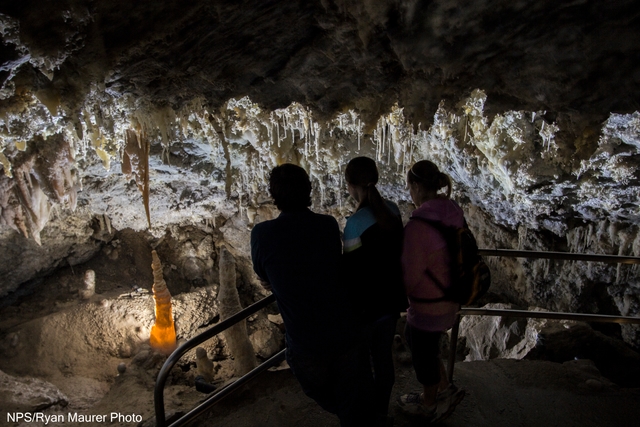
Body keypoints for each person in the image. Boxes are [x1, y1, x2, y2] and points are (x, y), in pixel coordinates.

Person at [250, 163, 375, 427]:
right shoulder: (327, 226)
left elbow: (263, 273)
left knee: (329, 394)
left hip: (306, 343)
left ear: (274, 195)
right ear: (308, 190)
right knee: (353, 398)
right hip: (344, 330)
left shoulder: (262, 234)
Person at [396, 160, 466, 422]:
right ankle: (446, 388)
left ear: (415, 186)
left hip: (429, 305)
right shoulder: (452, 210)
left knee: (421, 352)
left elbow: (410, 278)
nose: (409, 193)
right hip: (453, 297)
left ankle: (429, 403)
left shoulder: (418, 227)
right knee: (420, 343)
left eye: (409, 187)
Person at [342, 156, 405, 424]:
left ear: (350, 185)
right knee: (383, 358)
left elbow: (350, 271)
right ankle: (382, 410)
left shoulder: (355, 224)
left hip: (365, 307)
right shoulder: (394, 211)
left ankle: (366, 415)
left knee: (361, 362)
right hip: (390, 303)